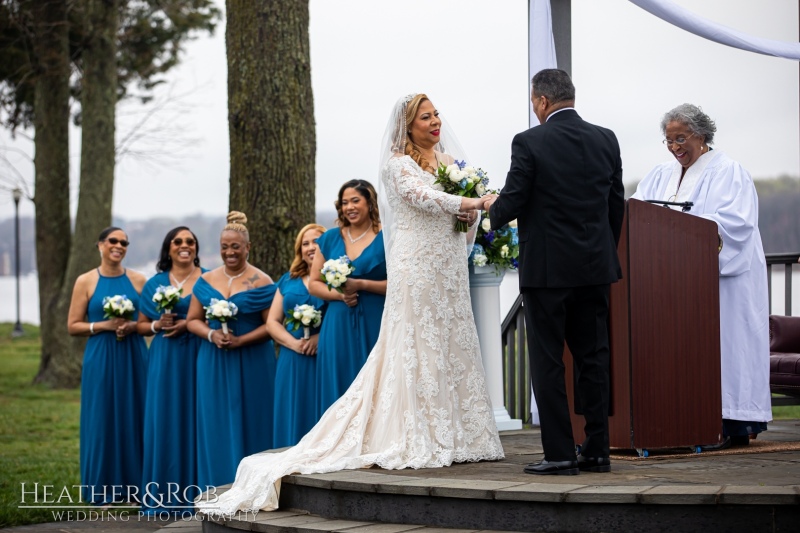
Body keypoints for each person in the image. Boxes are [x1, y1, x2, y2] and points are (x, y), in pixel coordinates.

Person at [195, 93, 502, 515]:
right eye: (425, 117)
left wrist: (469, 215)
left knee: (451, 339)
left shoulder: (449, 163)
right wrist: (474, 201)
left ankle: (462, 433)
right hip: (416, 266)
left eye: (436, 115)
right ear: (407, 125)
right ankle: (418, 432)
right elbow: (423, 199)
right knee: (417, 343)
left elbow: (455, 214)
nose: (435, 122)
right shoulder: (398, 165)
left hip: (447, 266)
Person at [485, 69, 625, 475]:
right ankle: (597, 450)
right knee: (593, 358)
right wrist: (601, 249)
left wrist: (485, 212)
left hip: (547, 271)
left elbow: (512, 201)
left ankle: (561, 453)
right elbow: (616, 204)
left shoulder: (529, 141)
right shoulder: (606, 138)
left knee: (548, 361)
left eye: (533, 101)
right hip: (595, 267)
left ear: (542, 101)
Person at [631, 103, 771, 447]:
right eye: (668, 140)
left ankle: (731, 424)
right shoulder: (660, 174)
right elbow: (636, 211)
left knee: (726, 348)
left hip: (723, 284)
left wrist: (683, 235)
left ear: (702, 135)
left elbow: (737, 224)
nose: (675, 147)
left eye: (681, 138)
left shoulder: (730, 172)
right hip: (676, 282)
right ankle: (686, 419)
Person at [186, 212, 276, 489]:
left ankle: (254, 487)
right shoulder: (206, 280)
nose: (229, 252)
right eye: (224, 246)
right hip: (214, 360)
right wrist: (212, 334)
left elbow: (270, 325)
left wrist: (243, 340)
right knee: (215, 424)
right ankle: (215, 486)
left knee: (254, 419)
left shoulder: (262, 282)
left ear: (247, 248)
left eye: (235, 246)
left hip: (252, 361)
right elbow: (192, 321)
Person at [67, 226, 148, 504]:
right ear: (100, 245)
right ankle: (103, 488)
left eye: (124, 242)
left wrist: (132, 326)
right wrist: (104, 325)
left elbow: (148, 325)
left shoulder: (139, 280)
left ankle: (137, 487)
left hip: (133, 354)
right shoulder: (86, 281)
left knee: (135, 413)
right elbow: (73, 325)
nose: (119, 245)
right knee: (101, 416)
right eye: (113, 240)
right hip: (100, 354)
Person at [136, 226, 205, 513]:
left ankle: (201, 490)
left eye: (190, 241)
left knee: (198, 418)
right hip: (165, 359)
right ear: (169, 248)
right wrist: (157, 325)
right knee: (165, 420)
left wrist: (189, 324)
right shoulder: (155, 283)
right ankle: (164, 493)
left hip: (199, 354)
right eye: (178, 241)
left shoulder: (208, 279)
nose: (184, 245)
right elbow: (139, 325)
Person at [309, 180, 386, 416]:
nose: (349, 207)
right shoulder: (330, 238)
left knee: (376, 379)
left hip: (377, 319)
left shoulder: (387, 236)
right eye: (344, 203)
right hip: (338, 322)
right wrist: (342, 295)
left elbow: (402, 284)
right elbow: (313, 283)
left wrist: (361, 284)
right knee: (339, 378)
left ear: (370, 203)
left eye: (355, 200)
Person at [268, 223, 327, 447]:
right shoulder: (288, 279)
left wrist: (319, 338)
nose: (311, 247)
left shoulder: (335, 278)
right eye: (305, 243)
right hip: (291, 359)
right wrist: (293, 344)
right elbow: (272, 322)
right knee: (291, 412)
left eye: (316, 242)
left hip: (323, 356)